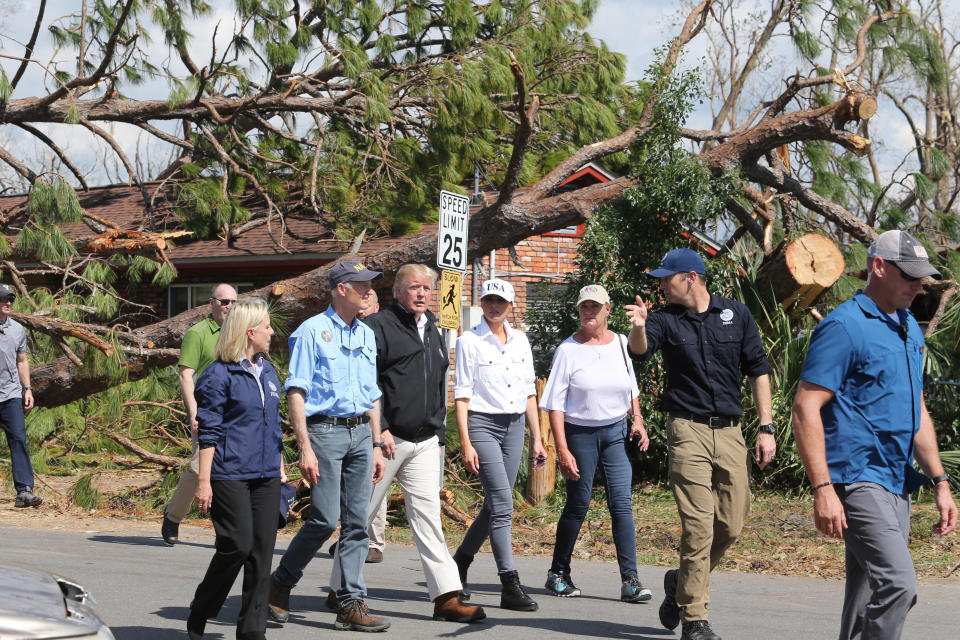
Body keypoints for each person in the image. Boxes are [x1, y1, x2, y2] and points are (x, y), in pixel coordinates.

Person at [792, 230, 957, 640]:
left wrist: (940, 481)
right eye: (909, 275)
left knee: (867, 592)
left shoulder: (907, 328)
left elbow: (915, 410)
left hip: (895, 480)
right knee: (900, 585)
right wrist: (823, 488)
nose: (918, 286)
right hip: (856, 478)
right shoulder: (844, 327)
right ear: (879, 267)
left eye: (922, 277)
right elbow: (805, 407)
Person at [626, 248, 776, 640]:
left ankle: (679, 584)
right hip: (686, 430)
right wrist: (639, 326)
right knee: (698, 527)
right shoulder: (663, 319)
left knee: (731, 523)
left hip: (730, 432)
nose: (660, 285)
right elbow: (639, 351)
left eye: (666, 278)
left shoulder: (736, 315)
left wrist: (767, 427)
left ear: (690, 277)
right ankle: (695, 618)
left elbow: (759, 370)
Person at [327, 264, 484, 623]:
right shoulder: (376, 327)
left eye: (427, 288)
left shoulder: (434, 328)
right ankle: (339, 591)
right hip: (385, 440)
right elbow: (363, 381)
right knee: (360, 518)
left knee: (429, 518)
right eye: (413, 287)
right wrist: (378, 429)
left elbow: (437, 383)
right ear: (397, 291)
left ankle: (447, 597)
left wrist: (441, 435)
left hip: (425, 440)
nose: (421, 294)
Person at [268, 260, 390, 632]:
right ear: (341, 289)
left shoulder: (366, 334)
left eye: (371, 285)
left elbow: (371, 394)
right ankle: (280, 582)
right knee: (323, 518)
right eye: (362, 285)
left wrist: (374, 441)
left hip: (358, 434)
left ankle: (351, 602)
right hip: (324, 433)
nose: (370, 291)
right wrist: (303, 446)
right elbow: (296, 391)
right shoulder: (311, 332)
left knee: (357, 524)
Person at [540, 284, 652, 602]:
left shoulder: (619, 343)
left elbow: (631, 387)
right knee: (578, 504)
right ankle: (557, 573)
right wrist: (562, 450)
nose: (588, 312)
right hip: (580, 435)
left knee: (622, 505)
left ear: (608, 310)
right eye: (583, 308)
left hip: (615, 433)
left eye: (595, 307)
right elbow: (555, 406)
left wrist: (638, 420)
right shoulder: (567, 350)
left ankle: (630, 580)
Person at [186, 298, 284, 640]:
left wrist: (280, 466)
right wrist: (203, 481)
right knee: (237, 546)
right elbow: (208, 430)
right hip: (229, 473)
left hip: (267, 474)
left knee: (262, 554)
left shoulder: (268, 370)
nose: (273, 333)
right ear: (250, 331)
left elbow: (273, 425)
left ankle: (252, 631)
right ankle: (203, 605)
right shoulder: (218, 375)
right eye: (268, 327)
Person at [451, 278, 547, 612]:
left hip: (515, 426)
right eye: (489, 300)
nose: (495, 306)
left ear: (511, 305)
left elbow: (529, 393)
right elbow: (461, 395)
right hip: (482, 425)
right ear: (482, 303)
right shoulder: (469, 341)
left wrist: (537, 438)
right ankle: (510, 584)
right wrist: (466, 442)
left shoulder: (520, 340)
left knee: (495, 505)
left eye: (501, 301)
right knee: (503, 504)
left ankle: (460, 561)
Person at [162, 283, 238, 546]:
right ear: (212, 303)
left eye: (233, 302)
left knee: (229, 470)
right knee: (198, 468)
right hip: (206, 410)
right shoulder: (198, 333)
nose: (229, 307)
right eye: (224, 302)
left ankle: (225, 529)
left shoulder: (239, 333)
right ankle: (173, 516)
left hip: (234, 411)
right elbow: (186, 375)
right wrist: (194, 412)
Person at [0, 283, 41, 508]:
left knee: (18, 440)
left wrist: (27, 389)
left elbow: (22, 361)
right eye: (3, 299)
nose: (8, 303)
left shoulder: (17, 329)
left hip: (10, 395)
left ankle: (24, 491)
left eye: (10, 299)